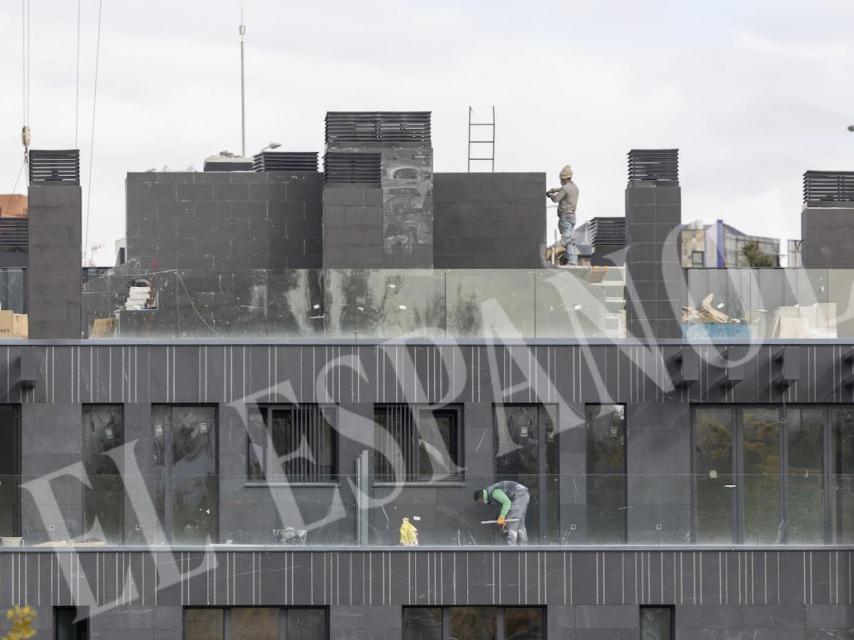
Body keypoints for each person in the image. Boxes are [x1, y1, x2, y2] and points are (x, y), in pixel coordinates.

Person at [474, 480, 530, 545]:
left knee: (511, 522)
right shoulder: (491, 493)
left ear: (481, 498)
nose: (481, 503)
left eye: (480, 501)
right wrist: (503, 518)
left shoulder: (494, 493)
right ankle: (524, 546)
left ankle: (512, 547)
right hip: (523, 494)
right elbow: (504, 505)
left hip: (519, 495)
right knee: (519, 522)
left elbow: (507, 503)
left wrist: (502, 517)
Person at [546, 165, 579, 266]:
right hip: (573, 216)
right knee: (570, 239)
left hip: (565, 216)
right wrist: (554, 189)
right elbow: (562, 188)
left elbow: (556, 199)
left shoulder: (565, 188)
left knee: (566, 239)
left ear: (563, 179)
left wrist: (549, 194)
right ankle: (572, 261)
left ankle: (553, 251)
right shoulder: (574, 187)